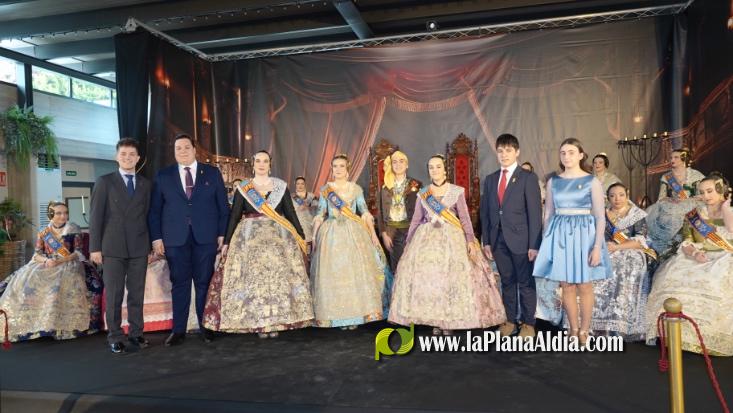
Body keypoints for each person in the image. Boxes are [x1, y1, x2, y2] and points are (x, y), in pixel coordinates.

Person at [389, 155, 505, 335]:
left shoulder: (456, 191)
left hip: (452, 240)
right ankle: (435, 320)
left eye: (438, 167)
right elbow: (416, 220)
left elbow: (464, 218)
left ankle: (449, 322)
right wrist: (408, 243)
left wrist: (470, 240)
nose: (435, 170)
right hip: (426, 241)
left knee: (450, 280)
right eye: (431, 167)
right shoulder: (423, 193)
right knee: (432, 281)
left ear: (445, 170)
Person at [203, 150, 313, 338]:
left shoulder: (280, 186)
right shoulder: (244, 188)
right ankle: (258, 323)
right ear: (253, 165)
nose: (262, 164)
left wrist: (301, 236)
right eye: (258, 161)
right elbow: (235, 216)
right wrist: (227, 242)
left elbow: (290, 213)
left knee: (277, 281)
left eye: (265, 161)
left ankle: (276, 323)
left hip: (278, 241)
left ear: (270, 165)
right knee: (254, 282)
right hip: (249, 241)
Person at [148, 133, 229, 346]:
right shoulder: (163, 176)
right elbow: (155, 210)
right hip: (175, 239)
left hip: (206, 238)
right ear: (174, 152)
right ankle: (178, 330)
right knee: (180, 284)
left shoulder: (211, 173)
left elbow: (223, 207)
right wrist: (156, 238)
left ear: (194, 150)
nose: (182, 151)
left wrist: (222, 234)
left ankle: (206, 328)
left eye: (186, 147)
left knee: (204, 283)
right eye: (178, 148)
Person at [533, 138, 612, 345]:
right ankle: (573, 329)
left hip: (584, 235)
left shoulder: (591, 181)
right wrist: (547, 243)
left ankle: (585, 330)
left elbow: (600, 217)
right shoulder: (553, 182)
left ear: (580, 155)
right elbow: (548, 215)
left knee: (585, 285)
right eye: (563, 153)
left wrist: (597, 247)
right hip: (560, 237)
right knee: (566, 285)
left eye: (571, 152)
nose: (566, 156)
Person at [645, 173, 733, 356]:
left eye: (710, 191)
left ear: (721, 190)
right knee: (670, 275)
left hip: (724, 255)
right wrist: (694, 253)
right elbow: (686, 240)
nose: (705, 196)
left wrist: (726, 207)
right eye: (702, 192)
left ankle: (709, 335)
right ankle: (674, 334)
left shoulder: (730, 209)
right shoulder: (694, 214)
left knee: (714, 279)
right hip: (697, 255)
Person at [0, 202, 102, 342]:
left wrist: (59, 261)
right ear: (50, 215)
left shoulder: (73, 228)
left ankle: (57, 324)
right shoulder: (44, 231)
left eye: (65, 213)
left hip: (68, 262)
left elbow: (77, 252)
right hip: (46, 263)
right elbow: (37, 254)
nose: (63, 216)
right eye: (59, 213)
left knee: (61, 283)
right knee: (24, 280)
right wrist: (46, 261)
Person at [310, 154, 391, 329]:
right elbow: (320, 213)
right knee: (335, 273)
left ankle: (356, 315)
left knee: (355, 273)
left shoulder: (355, 189)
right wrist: (314, 235)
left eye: (341, 166)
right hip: (331, 234)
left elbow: (364, 211)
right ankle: (337, 316)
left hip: (354, 233)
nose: (338, 169)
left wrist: (373, 234)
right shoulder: (326, 190)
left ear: (347, 169)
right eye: (335, 166)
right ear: (332, 169)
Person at [89, 137, 151, 354]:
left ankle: (136, 333)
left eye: (132, 154)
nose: (127, 158)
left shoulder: (145, 184)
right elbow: (96, 217)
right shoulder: (104, 182)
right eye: (123, 154)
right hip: (112, 248)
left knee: (137, 294)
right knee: (114, 295)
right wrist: (95, 248)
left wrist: (150, 245)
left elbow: (147, 216)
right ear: (116, 157)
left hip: (139, 247)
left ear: (138, 158)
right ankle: (115, 336)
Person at [480, 135, 542, 337]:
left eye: (508, 150)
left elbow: (535, 214)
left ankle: (528, 323)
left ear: (517, 152)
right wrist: (486, 241)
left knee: (525, 282)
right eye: (500, 151)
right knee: (506, 282)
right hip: (497, 241)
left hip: (522, 241)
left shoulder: (528, 177)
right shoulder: (491, 179)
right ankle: (509, 321)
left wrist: (534, 244)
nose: (504, 154)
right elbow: (485, 213)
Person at [588, 183, 654, 341]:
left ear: (627, 194)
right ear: (608, 198)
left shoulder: (636, 214)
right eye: (612, 196)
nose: (617, 199)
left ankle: (622, 324)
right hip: (606, 250)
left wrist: (618, 247)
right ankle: (595, 323)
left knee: (625, 265)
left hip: (631, 250)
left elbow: (641, 241)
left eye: (621, 195)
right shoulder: (602, 214)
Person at [645, 147, 705, 256]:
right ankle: (665, 247)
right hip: (672, 204)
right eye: (671, 157)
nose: (672, 160)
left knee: (678, 213)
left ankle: (681, 243)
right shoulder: (666, 177)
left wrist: (685, 200)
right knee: (658, 213)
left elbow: (701, 195)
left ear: (684, 159)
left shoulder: (696, 175)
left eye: (676, 157)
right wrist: (672, 200)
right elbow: (661, 197)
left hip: (691, 203)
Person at [377, 150, 421, 272]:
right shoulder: (385, 187)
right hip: (392, 232)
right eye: (394, 162)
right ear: (391, 165)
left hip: (411, 230)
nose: (398, 165)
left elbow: (422, 210)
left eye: (401, 161)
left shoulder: (416, 185)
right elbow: (380, 212)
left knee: (412, 267)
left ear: (407, 165)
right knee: (396, 269)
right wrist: (384, 234)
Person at [292, 176, 319, 247]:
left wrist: (308, 206)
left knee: (309, 246)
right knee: (297, 246)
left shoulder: (311, 196)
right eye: (298, 184)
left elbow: (318, 207)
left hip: (309, 223)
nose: (300, 186)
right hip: (297, 224)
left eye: (302, 184)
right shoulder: (291, 197)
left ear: (305, 184)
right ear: (295, 184)